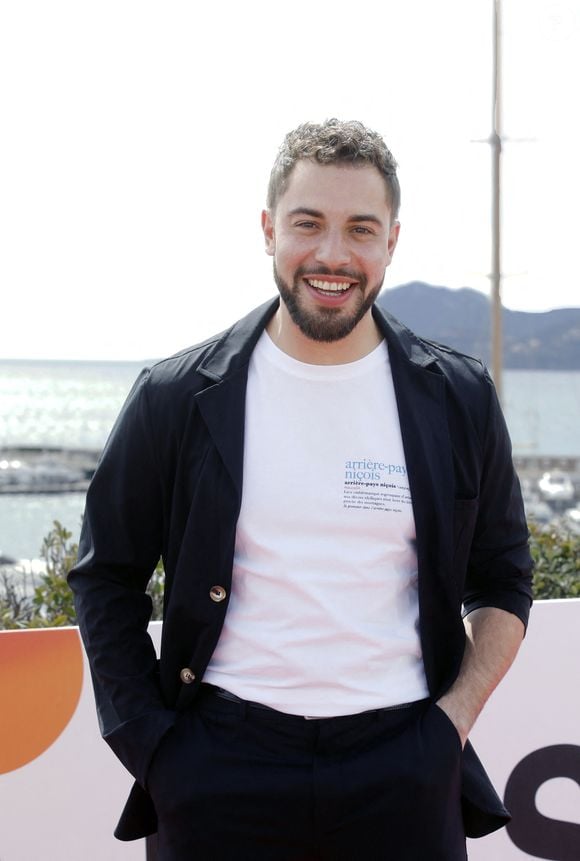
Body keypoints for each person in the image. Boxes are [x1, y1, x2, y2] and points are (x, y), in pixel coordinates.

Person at [69, 119, 533, 860]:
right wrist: (154, 749)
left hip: (404, 768)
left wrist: (450, 724)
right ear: (267, 229)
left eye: (360, 229)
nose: (332, 255)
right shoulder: (175, 395)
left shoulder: (458, 397)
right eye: (308, 224)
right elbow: (105, 575)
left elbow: (504, 580)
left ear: (392, 241)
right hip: (218, 765)